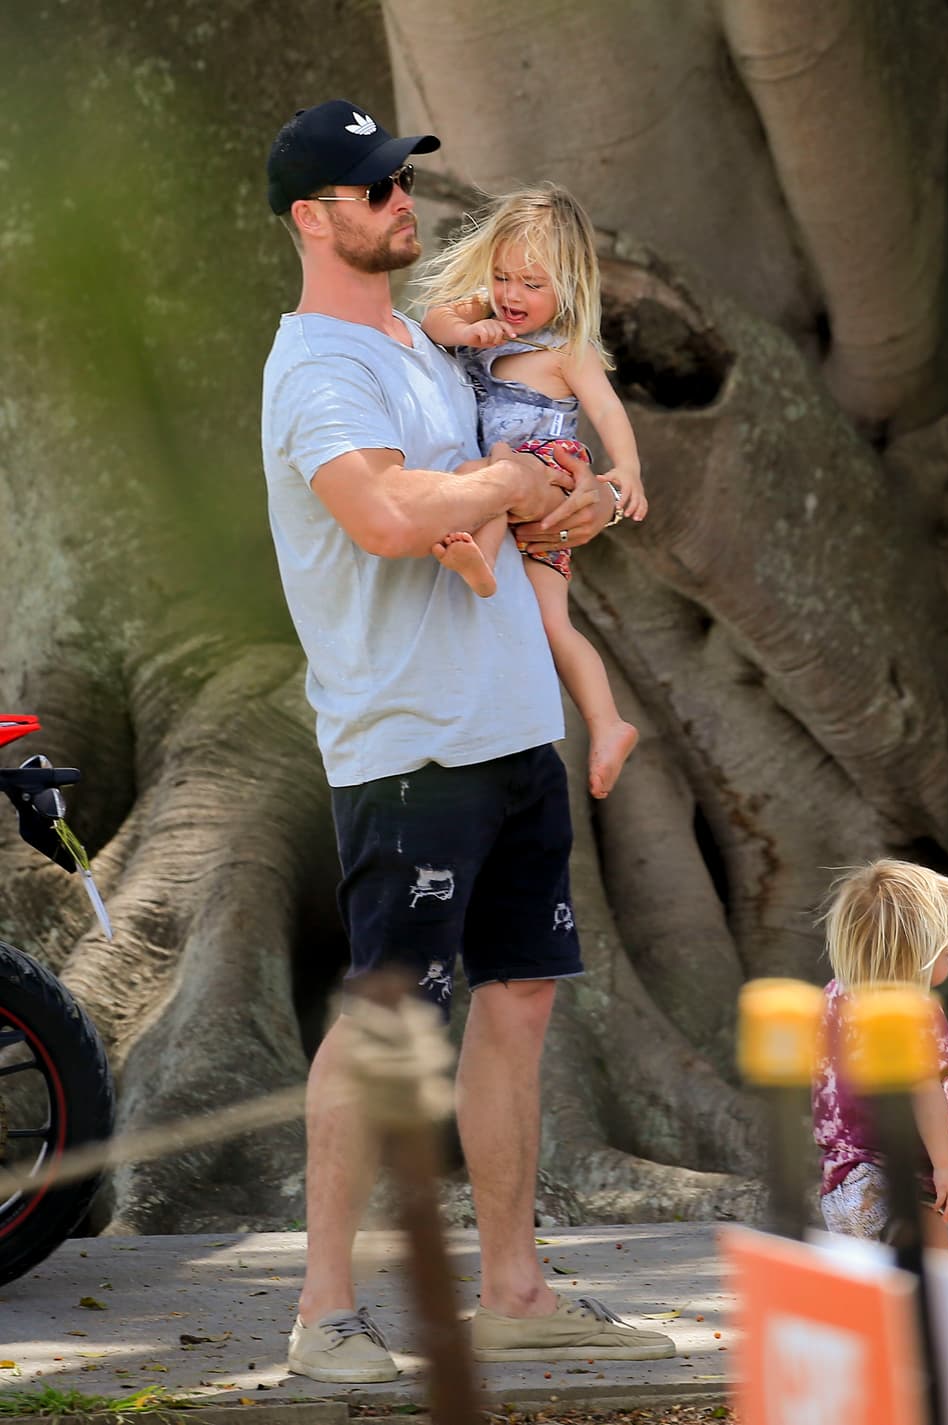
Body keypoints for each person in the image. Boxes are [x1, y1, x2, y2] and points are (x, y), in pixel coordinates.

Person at [261, 99, 674, 1384]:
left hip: (512, 737)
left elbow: (520, 465)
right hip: (408, 754)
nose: (400, 203)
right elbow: (387, 515)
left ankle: (515, 1288)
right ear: (310, 218)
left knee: (519, 1007)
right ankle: (324, 1313)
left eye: (401, 182)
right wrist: (506, 492)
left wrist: (579, 501)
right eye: (373, 189)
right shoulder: (316, 370)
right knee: (387, 1026)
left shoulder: (420, 345)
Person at [418, 185, 645, 800]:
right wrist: (474, 329)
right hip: (513, 494)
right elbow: (434, 319)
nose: (512, 295)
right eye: (502, 277)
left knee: (490, 475)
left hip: (545, 468)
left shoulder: (567, 351)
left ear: (568, 286)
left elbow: (608, 409)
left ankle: (482, 565)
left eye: (532, 283)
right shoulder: (485, 316)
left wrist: (626, 471)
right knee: (546, 615)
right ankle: (608, 723)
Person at [812, 860, 948, 1248]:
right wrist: (946, 1169)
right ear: (916, 952)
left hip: (842, 1180)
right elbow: (924, 1091)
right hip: (895, 1177)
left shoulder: (833, 997)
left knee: (875, 1295)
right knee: (931, 1290)